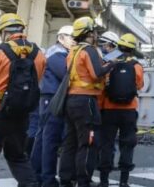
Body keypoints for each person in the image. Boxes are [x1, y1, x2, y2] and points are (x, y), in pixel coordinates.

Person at [0, 13, 46, 187]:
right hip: (21, 113)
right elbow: (38, 79)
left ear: (3, 32)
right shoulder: (38, 53)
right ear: (22, 30)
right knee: (17, 156)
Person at [58, 17, 115, 187]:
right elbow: (97, 73)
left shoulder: (73, 51)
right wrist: (111, 64)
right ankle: (83, 181)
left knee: (70, 142)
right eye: (95, 31)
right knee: (88, 143)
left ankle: (66, 179)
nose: (97, 34)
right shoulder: (89, 50)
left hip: (71, 100)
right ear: (89, 33)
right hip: (86, 101)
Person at [98, 34, 144, 187]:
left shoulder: (109, 61)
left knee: (107, 143)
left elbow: (102, 81)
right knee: (127, 144)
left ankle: (104, 180)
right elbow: (139, 86)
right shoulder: (136, 65)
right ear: (132, 49)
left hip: (109, 109)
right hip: (129, 110)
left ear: (119, 46)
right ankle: (124, 181)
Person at [32, 25, 75, 187]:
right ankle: (47, 179)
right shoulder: (57, 54)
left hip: (50, 98)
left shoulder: (57, 52)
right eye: (71, 37)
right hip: (52, 99)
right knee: (50, 139)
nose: (74, 41)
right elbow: (67, 74)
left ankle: (37, 175)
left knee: (44, 138)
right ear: (60, 37)